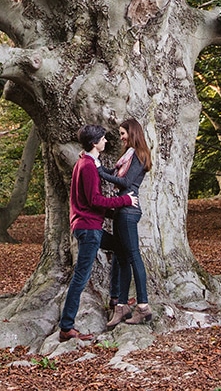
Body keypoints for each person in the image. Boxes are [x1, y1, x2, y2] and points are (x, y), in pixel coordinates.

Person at [58, 124, 137, 342]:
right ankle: (66, 327)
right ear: (94, 143)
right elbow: (93, 200)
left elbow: (89, 201)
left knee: (121, 250)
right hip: (88, 228)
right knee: (81, 278)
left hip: (89, 225)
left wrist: (113, 212)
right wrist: (125, 200)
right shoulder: (87, 167)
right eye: (103, 139)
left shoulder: (87, 162)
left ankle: (115, 299)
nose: (106, 141)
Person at [99, 117, 153, 328]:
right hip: (121, 210)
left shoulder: (139, 155)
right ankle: (121, 305)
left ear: (133, 133)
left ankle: (143, 307)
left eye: (123, 133)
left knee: (133, 257)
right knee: (121, 259)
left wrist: (100, 172)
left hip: (129, 211)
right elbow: (115, 174)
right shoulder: (127, 157)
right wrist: (98, 166)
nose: (120, 137)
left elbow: (125, 182)